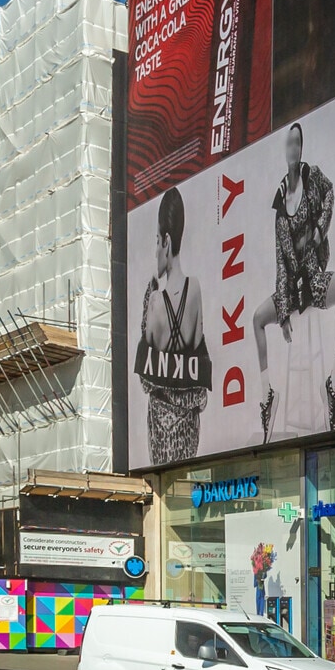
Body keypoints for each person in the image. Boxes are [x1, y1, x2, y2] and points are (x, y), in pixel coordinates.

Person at [253, 123, 335, 439]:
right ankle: (266, 394)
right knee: (258, 319)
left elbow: (330, 195)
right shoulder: (280, 197)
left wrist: (319, 229)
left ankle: (334, 385)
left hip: (312, 279)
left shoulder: (314, 177)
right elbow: (280, 257)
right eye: (289, 143)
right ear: (284, 150)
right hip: (291, 289)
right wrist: (284, 314)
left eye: (298, 142)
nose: (293, 148)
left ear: (302, 147)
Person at [136, 188, 209, 463]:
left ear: (166, 241)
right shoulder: (196, 289)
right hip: (190, 425)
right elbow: (197, 343)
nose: (155, 250)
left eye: (157, 240)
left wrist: (149, 292)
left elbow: (146, 380)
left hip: (162, 423)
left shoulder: (154, 301)